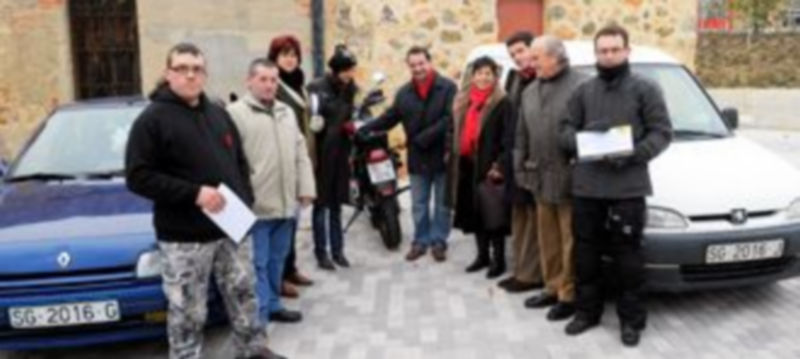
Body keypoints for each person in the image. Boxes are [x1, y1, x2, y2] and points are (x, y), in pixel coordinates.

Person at [125, 43, 284, 359]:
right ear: (168, 73)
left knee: (244, 295)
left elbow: (239, 161)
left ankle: (252, 350)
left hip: (231, 229)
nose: (190, 75)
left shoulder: (218, 113)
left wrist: (245, 201)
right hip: (185, 237)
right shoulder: (152, 120)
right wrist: (194, 193)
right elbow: (138, 176)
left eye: (197, 69)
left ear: (205, 74)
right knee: (188, 311)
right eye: (182, 68)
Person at [559, 25, 672, 347]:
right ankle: (587, 312)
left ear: (627, 51)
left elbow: (662, 132)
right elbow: (564, 130)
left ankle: (631, 320)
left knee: (628, 258)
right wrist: (583, 140)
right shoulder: (583, 91)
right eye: (603, 51)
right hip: (588, 187)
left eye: (614, 50)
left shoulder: (645, 89)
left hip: (628, 187)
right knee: (586, 254)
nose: (608, 56)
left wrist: (635, 153)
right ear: (596, 54)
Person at [228, 58, 316, 327]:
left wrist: (306, 187)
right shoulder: (235, 114)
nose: (269, 85)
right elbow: (228, 160)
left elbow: (300, 151)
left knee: (278, 260)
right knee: (258, 265)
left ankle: (274, 305)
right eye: (263, 79)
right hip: (255, 209)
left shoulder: (286, 112)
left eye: (273, 80)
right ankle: (259, 321)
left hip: (286, 205)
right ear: (249, 81)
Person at [358, 46, 457, 262]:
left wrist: (425, 137)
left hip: (443, 155)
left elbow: (450, 118)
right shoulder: (404, 93)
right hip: (418, 158)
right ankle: (420, 241)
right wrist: (365, 128)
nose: (418, 68)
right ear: (408, 66)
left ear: (429, 62)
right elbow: (390, 117)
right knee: (419, 204)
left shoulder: (448, 88)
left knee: (443, 205)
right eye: (413, 65)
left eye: (421, 63)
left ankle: (439, 241)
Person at [514, 35, 588, 321]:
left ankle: (568, 295)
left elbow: (590, 133)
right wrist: (520, 168)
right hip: (539, 177)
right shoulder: (529, 91)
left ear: (556, 57)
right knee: (547, 239)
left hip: (570, 178)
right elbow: (521, 134)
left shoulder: (582, 86)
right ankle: (552, 287)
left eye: (536, 58)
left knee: (570, 241)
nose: (530, 63)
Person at [447, 56, 512, 278]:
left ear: (495, 77)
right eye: (479, 73)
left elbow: (508, 138)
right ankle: (482, 256)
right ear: (472, 76)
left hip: (489, 167)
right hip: (467, 165)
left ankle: (498, 260)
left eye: (488, 74)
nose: (483, 78)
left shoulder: (503, 102)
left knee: (493, 215)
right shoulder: (463, 100)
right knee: (474, 213)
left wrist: (499, 165)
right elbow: (453, 130)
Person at [497, 30, 545, 293]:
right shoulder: (515, 79)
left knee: (536, 223)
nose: (517, 57)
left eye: (520, 51)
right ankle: (522, 271)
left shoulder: (543, 78)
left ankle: (532, 276)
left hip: (534, 163)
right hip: (514, 159)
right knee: (520, 220)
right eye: (512, 54)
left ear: (533, 49)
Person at [267, 34, 315, 298]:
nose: (290, 59)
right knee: (283, 224)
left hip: (299, 161)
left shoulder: (298, 84)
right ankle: (280, 277)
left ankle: (291, 268)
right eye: (284, 55)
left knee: (293, 221)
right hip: (282, 164)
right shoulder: (275, 86)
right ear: (274, 58)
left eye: (294, 54)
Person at [307, 44, 358, 270]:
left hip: (341, 153)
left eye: (351, 69)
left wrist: (350, 125)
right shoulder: (316, 87)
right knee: (320, 205)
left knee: (337, 204)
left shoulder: (350, 88)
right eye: (347, 70)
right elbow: (312, 121)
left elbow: (349, 114)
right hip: (321, 154)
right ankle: (321, 252)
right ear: (337, 70)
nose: (350, 74)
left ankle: (338, 251)